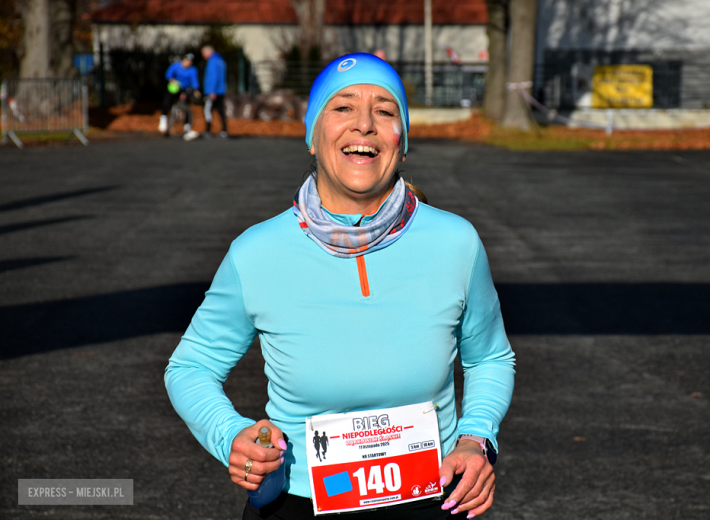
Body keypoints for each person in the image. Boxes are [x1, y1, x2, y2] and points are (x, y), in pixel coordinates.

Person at [165, 53, 515, 520]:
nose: (364, 125)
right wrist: (230, 434)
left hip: (433, 497)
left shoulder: (456, 242)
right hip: (298, 501)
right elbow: (191, 367)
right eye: (343, 107)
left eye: (385, 111)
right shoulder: (257, 251)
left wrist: (476, 438)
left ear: (402, 142)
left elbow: (490, 357)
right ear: (312, 134)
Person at [158, 53, 200, 141]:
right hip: (174, 87)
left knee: (185, 106)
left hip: (184, 89)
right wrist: (172, 80)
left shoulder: (193, 69)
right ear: (183, 60)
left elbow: (194, 80)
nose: (189, 63)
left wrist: (196, 90)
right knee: (167, 101)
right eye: (187, 61)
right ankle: (163, 120)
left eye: (190, 61)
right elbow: (168, 75)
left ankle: (187, 128)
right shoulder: (175, 66)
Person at [201, 45, 228, 138]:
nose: (203, 55)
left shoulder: (212, 61)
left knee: (207, 110)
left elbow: (213, 77)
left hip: (213, 91)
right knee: (221, 111)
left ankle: (208, 131)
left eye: (203, 53)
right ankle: (224, 131)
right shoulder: (221, 60)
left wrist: (212, 91)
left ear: (208, 52)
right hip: (221, 90)